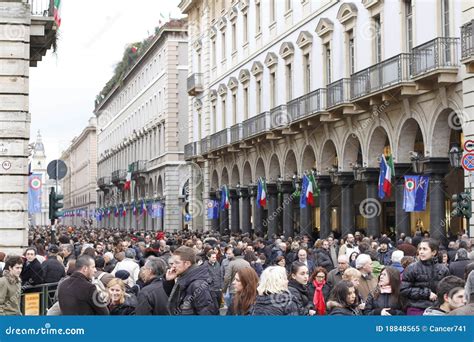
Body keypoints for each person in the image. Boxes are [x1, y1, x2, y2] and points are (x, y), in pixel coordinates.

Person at [400, 239, 450, 315]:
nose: (421, 252)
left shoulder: (443, 269)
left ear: (434, 252)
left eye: (425, 249)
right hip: (416, 308)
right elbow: (404, 289)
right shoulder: (411, 268)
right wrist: (426, 293)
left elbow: (447, 289)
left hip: (438, 309)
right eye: (420, 249)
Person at [164, 246, 216, 315]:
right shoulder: (184, 277)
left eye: (177, 263)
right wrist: (169, 282)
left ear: (187, 263)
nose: (173, 266)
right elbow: (175, 303)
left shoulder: (197, 285)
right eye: (173, 263)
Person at [204, 250, 223, 314]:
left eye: (215, 257)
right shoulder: (205, 265)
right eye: (213, 257)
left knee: (219, 305)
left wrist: (221, 286)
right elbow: (204, 276)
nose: (215, 259)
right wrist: (210, 280)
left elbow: (220, 275)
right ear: (208, 257)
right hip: (211, 289)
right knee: (215, 307)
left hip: (218, 289)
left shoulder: (217, 264)